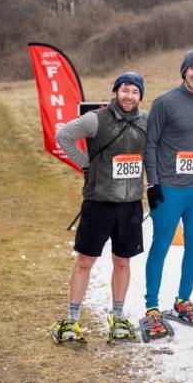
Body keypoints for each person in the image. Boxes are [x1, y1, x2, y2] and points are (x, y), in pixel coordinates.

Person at [50, 72, 147, 343]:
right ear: (115, 92)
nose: (129, 96)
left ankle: (117, 317)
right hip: (99, 202)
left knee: (122, 261)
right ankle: (72, 319)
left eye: (134, 91)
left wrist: (153, 185)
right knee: (85, 261)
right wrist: (85, 164)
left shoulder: (145, 120)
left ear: (140, 96)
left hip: (130, 205)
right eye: (124, 90)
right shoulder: (97, 118)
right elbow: (64, 135)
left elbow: (148, 153)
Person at [140, 49, 193, 340]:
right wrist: (153, 183)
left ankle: (183, 299)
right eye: (192, 69)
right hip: (169, 188)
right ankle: (151, 306)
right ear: (184, 71)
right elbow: (151, 145)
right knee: (160, 246)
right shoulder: (164, 102)